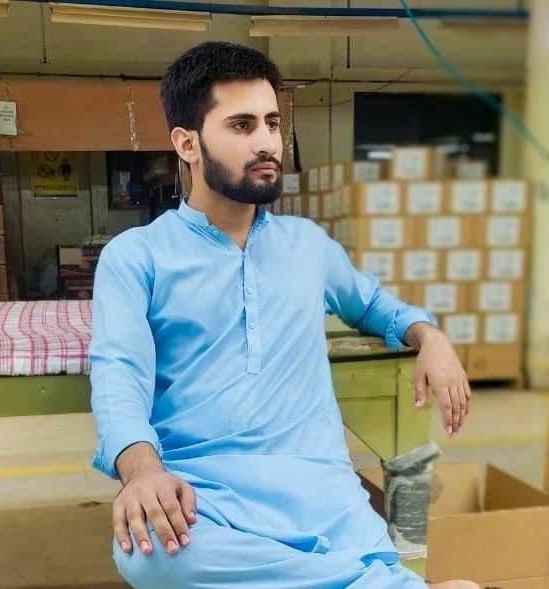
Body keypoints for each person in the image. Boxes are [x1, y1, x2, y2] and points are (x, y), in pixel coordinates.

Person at [90, 42, 477, 589]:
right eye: (242, 125)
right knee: (151, 554)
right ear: (187, 142)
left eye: (272, 122)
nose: (267, 142)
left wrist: (429, 335)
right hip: (206, 495)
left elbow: (372, 305)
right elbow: (118, 374)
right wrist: (143, 472)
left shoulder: (307, 245)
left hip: (320, 494)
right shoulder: (137, 257)